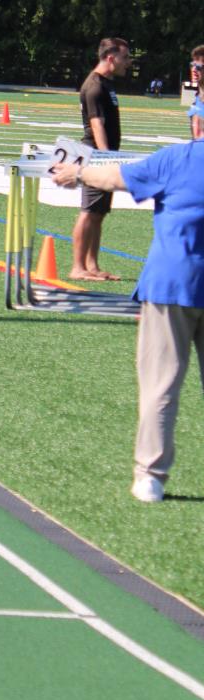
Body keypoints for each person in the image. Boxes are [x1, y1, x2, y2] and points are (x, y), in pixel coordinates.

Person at [51, 136, 204, 503]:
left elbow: (117, 177)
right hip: (176, 282)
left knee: (160, 384)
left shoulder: (178, 158)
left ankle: (150, 474)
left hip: (172, 283)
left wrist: (77, 173)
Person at [68, 37, 132, 280]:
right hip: (95, 155)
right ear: (110, 57)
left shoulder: (107, 83)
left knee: (99, 213)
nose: (128, 62)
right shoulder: (95, 85)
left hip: (104, 154)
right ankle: (77, 267)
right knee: (88, 211)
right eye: (125, 57)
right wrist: (106, 159)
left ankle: (92, 265)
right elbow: (97, 125)